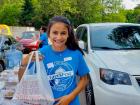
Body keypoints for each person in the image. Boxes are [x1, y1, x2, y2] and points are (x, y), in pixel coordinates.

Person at [18, 16, 89, 105]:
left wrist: (70, 97)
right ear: (49, 34)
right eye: (55, 33)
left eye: (63, 33)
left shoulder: (76, 53)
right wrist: (24, 63)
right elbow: (22, 81)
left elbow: (84, 79)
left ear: (68, 34)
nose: (59, 37)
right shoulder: (40, 53)